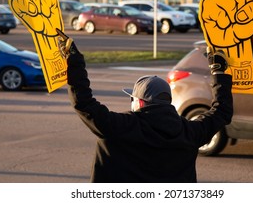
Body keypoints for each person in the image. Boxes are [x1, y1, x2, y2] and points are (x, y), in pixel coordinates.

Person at [57, 29, 233, 183]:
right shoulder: (190, 131)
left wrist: (74, 61)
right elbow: (222, 111)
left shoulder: (122, 126)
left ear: (140, 102)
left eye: (132, 98)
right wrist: (219, 72)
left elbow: (84, 103)